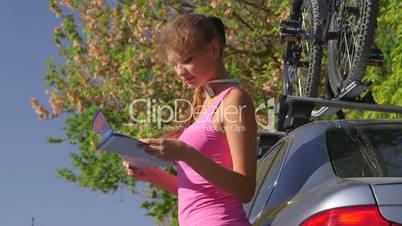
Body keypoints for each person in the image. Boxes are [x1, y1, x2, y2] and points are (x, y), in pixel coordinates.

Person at [123, 13, 257, 226]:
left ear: (213, 50)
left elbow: (245, 189)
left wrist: (185, 153)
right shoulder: (201, 103)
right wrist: (149, 173)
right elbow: (196, 193)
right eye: (174, 64)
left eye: (187, 60)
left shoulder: (234, 100)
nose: (180, 72)